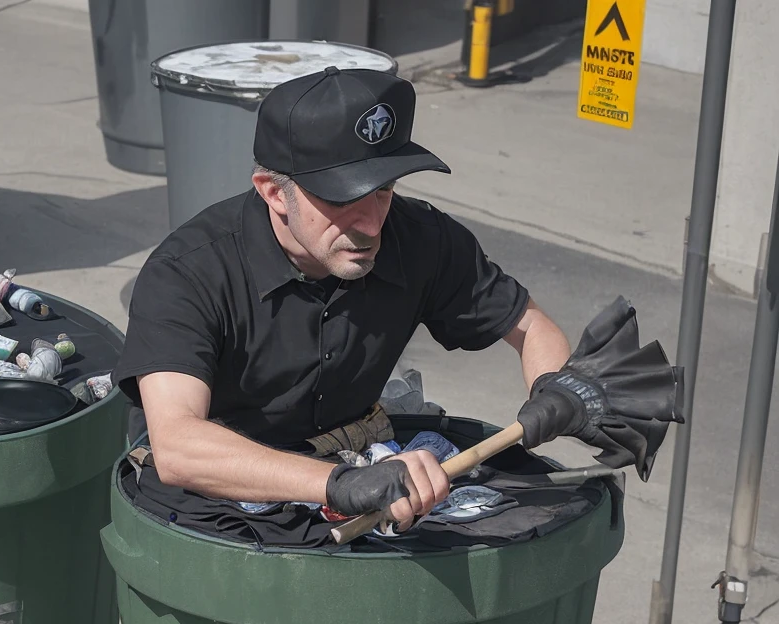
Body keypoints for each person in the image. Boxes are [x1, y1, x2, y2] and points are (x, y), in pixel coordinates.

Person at [113, 67, 598, 530]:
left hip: (350, 458)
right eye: (342, 199)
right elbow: (177, 445)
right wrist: (338, 484)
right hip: (214, 487)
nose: (370, 226)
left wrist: (553, 389)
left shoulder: (419, 236)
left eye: (383, 189)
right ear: (274, 192)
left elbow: (531, 326)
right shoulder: (188, 273)